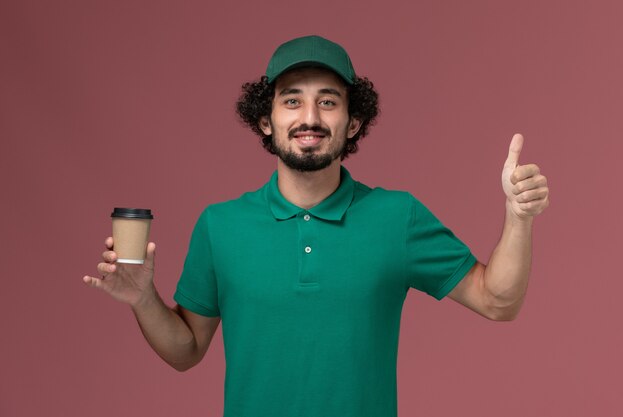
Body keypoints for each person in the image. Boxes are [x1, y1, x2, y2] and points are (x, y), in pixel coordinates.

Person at [83, 35, 549, 417]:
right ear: (266, 121)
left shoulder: (397, 217)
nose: (310, 118)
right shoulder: (220, 225)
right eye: (292, 101)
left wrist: (518, 216)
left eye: (328, 102)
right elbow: (185, 351)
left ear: (353, 122)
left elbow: (497, 301)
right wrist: (144, 299)